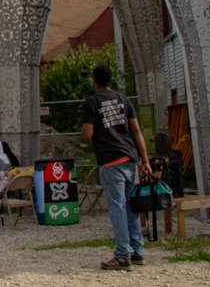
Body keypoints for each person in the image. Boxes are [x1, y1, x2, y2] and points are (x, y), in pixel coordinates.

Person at [81, 64, 152, 271]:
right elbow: (137, 131)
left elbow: (87, 133)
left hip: (110, 160)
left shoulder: (92, 102)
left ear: (94, 80)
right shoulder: (124, 100)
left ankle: (122, 255)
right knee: (132, 206)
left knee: (118, 207)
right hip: (130, 158)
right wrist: (145, 161)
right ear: (110, 80)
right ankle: (138, 251)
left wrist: (89, 130)